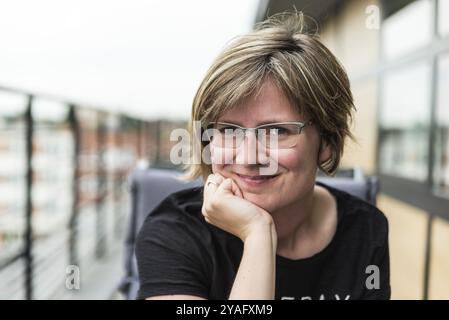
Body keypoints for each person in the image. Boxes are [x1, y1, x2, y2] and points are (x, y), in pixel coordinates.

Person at [136, 12, 390, 300]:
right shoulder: (173, 234)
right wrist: (257, 234)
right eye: (229, 130)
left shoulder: (365, 230)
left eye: (277, 131)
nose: (249, 156)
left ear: (327, 142)